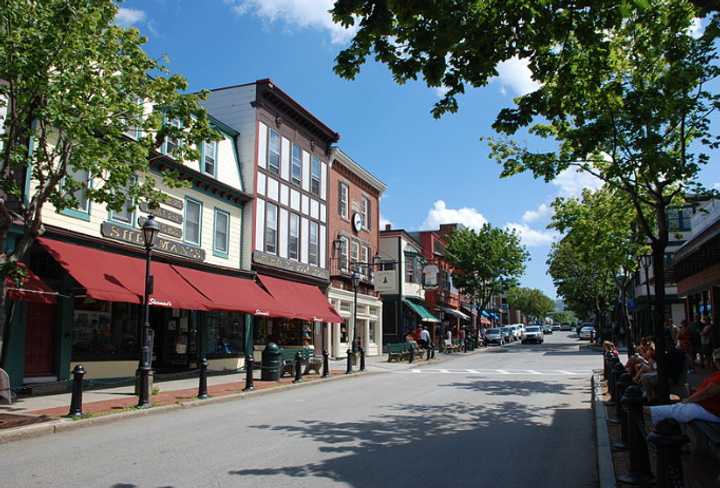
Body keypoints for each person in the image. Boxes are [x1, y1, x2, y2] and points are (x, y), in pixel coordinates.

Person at [646, 348, 720, 426]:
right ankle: (653, 414)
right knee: (680, 408)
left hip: (712, 409)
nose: (715, 363)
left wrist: (689, 399)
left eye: (717, 360)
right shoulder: (717, 374)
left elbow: (707, 392)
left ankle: (648, 411)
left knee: (680, 409)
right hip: (707, 406)